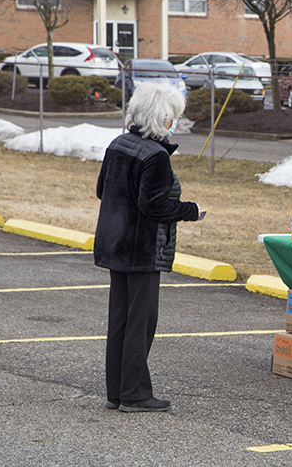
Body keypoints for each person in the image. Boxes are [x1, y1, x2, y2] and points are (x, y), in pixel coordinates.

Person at [94, 81, 203, 413]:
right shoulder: (156, 156)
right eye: (172, 118)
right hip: (142, 249)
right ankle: (136, 394)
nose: (174, 124)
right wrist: (191, 211)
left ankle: (118, 391)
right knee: (141, 322)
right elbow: (154, 206)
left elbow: (103, 190)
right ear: (163, 119)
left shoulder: (118, 144)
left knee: (121, 320)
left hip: (115, 243)